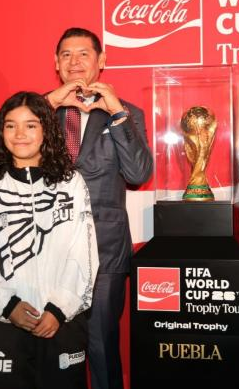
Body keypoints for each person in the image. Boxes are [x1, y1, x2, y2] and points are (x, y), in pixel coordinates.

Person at [0, 91, 99, 389]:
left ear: (46, 131)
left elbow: (82, 253)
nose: (20, 134)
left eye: (30, 125)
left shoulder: (71, 183)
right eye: (10, 125)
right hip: (0, 325)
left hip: (60, 323)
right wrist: (8, 306)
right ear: (1, 132)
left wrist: (58, 309)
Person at [45, 27, 153, 389]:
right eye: (66, 55)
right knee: (51, 349)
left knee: (101, 347)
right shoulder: (40, 113)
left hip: (104, 252)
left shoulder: (127, 113)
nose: (74, 62)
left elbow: (138, 173)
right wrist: (49, 103)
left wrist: (117, 113)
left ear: (101, 61)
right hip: (46, 250)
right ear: (56, 63)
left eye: (84, 54)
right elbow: (4, 147)